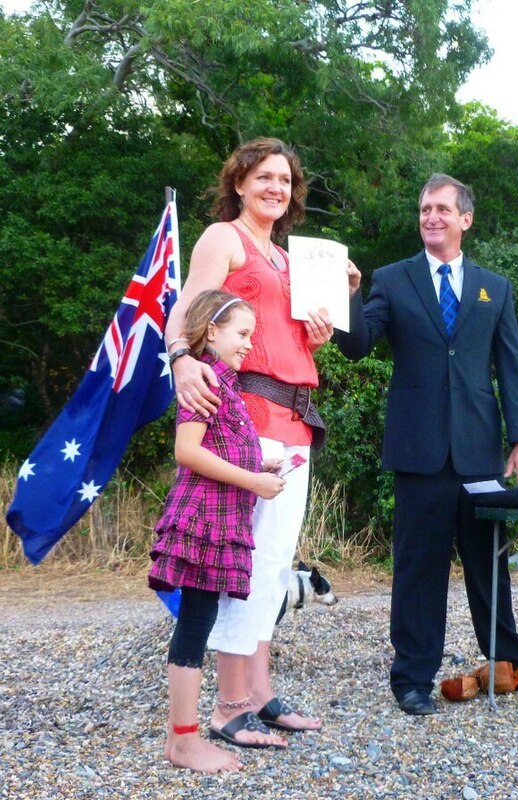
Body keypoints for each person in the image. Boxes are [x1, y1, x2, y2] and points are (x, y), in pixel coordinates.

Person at [335, 173, 518, 716]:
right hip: (419, 452)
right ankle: (412, 678)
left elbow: (511, 369)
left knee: (491, 564)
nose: (431, 217)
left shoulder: (496, 287)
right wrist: (346, 298)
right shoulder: (393, 280)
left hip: (479, 450)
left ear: (465, 219)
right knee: (419, 568)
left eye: (442, 209)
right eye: (424, 209)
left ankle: (513, 663)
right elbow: (359, 344)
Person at [165, 137, 346, 747]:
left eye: (286, 181)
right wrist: (181, 361)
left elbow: (288, 343)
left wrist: (325, 318)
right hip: (248, 413)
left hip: (295, 417)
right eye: (264, 177)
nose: (276, 188)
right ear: (239, 183)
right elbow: (187, 309)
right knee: (243, 562)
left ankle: (261, 696)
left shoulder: (291, 260)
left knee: (270, 568)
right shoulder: (226, 238)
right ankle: (229, 705)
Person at [149, 290, 287, 772]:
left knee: (200, 623)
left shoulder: (224, 382)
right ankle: (183, 742)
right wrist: (253, 480)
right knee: (194, 627)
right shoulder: (206, 378)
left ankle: (183, 737)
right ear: (212, 331)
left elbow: (219, 445)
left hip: (219, 520)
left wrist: (260, 460)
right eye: (242, 333)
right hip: (204, 521)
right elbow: (187, 450)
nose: (249, 344)